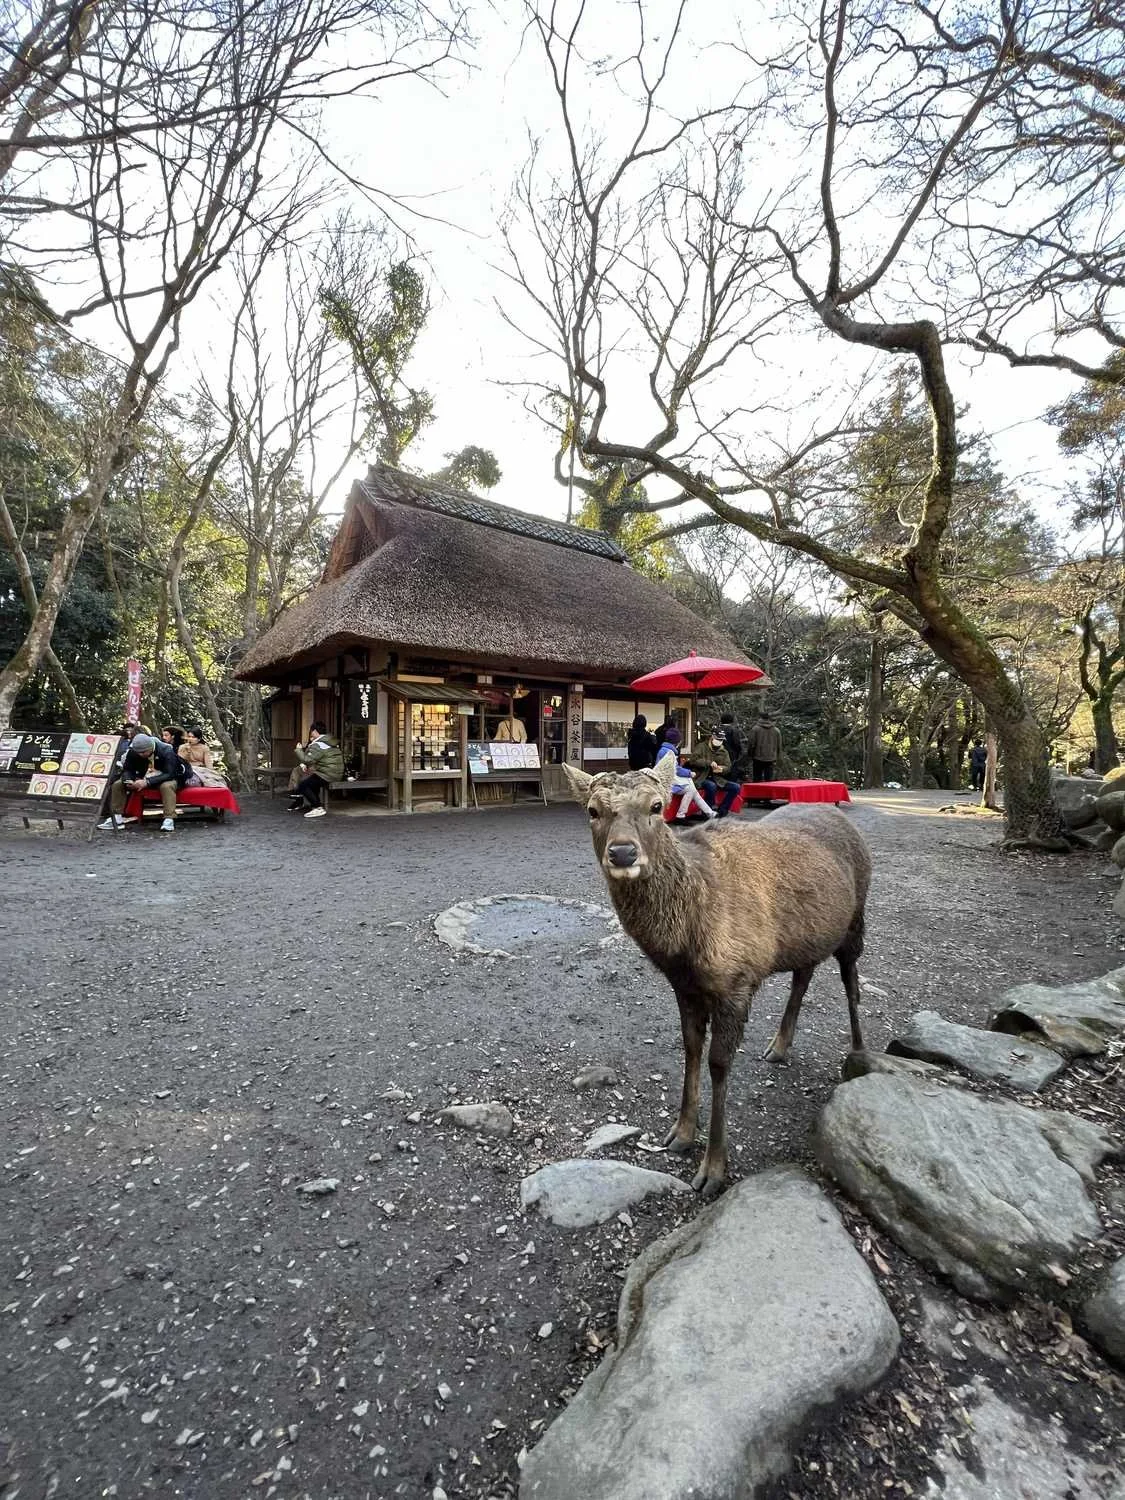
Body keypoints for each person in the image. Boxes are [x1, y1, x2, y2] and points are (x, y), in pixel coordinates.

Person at [99, 732, 191, 833]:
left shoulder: (166, 750)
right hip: (143, 776)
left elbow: (170, 773)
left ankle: (169, 818)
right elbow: (127, 769)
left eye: (144, 752)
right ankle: (116, 817)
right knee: (118, 784)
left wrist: (147, 782)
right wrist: (128, 781)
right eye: (139, 752)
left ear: (151, 747)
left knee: (166, 786)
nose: (141, 754)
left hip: (169, 777)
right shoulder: (133, 751)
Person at [290, 721, 345, 818]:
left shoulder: (319, 744)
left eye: (311, 731)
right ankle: (314, 805)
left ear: (315, 731)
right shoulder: (329, 741)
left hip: (327, 774)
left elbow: (307, 759)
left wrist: (298, 750)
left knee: (303, 785)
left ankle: (317, 807)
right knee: (311, 782)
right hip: (336, 773)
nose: (311, 733)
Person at [656, 729, 715, 820]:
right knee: (691, 789)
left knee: (692, 789)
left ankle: (709, 813)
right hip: (668, 782)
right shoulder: (669, 752)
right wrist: (689, 773)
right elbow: (676, 769)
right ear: (676, 741)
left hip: (668, 779)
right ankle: (681, 815)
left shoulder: (665, 750)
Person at [688, 728, 740, 817]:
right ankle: (707, 812)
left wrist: (722, 769)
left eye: (721, 740)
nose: (720, 741)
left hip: (717, 778)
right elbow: (693, 760)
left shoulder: (724, 751)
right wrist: (708, 763)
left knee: (736, 787)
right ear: (712, 737)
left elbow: (728, 767)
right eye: (718, 739)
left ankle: (722, 810)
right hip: (701, 777)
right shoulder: (701, 746)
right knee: (711, 786)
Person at [747, 711, 782, 783]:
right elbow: (779, 746)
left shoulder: (755, 729)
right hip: (771, 758)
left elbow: (751, 744)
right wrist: (777, 756)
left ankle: (756, 793)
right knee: (769, 780)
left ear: (760, 718)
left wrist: (750, 754)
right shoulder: (776, 730)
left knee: (757, 779)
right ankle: (768, 793)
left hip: (757, 757)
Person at [719, 711, 745, 779]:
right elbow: (737, 744)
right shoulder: (733, 730)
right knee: (731, 774)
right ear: (731, 720)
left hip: (717, 755)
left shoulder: (717, 729)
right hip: (731, 755)